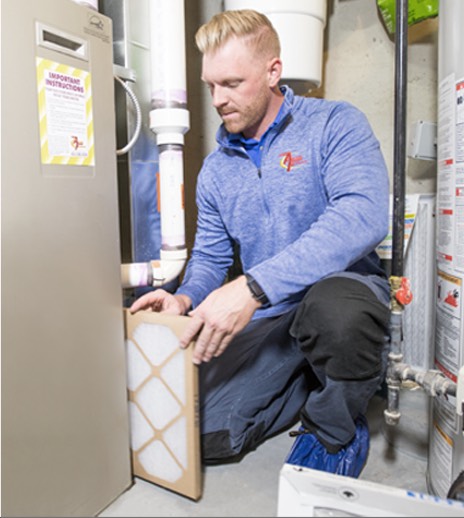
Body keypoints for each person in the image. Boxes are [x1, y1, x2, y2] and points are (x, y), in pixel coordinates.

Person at [130, 9, 391, 477]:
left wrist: (251, 288)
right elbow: (211, 258)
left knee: (338, 313)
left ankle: (337, 424)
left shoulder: (333, 124)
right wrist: (184, 298)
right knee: (197, 431)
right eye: (211, 85)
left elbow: (363, 215)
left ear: (273, 71)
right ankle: (313, 381)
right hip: (270, 317)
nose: (218, 99)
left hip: (339, 293)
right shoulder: (216, 170)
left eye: (231, 83)